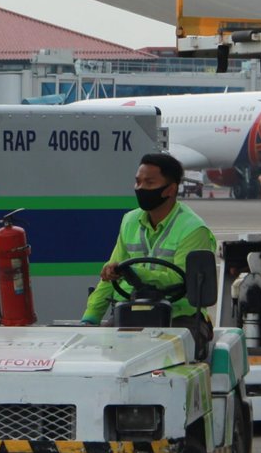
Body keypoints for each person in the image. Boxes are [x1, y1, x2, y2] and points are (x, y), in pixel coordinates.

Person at [81, 152, 217, 355]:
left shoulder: (193, 229)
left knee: (167, 356)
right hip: (130, 310)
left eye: (149, 183)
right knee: (100, 354)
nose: (140, 188)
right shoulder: (129, 221)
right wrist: (90, 318)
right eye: (138, 182)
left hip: (180, 317)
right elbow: (109, 278)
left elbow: (182, 281)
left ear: (170, 189)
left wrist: (134, 272)